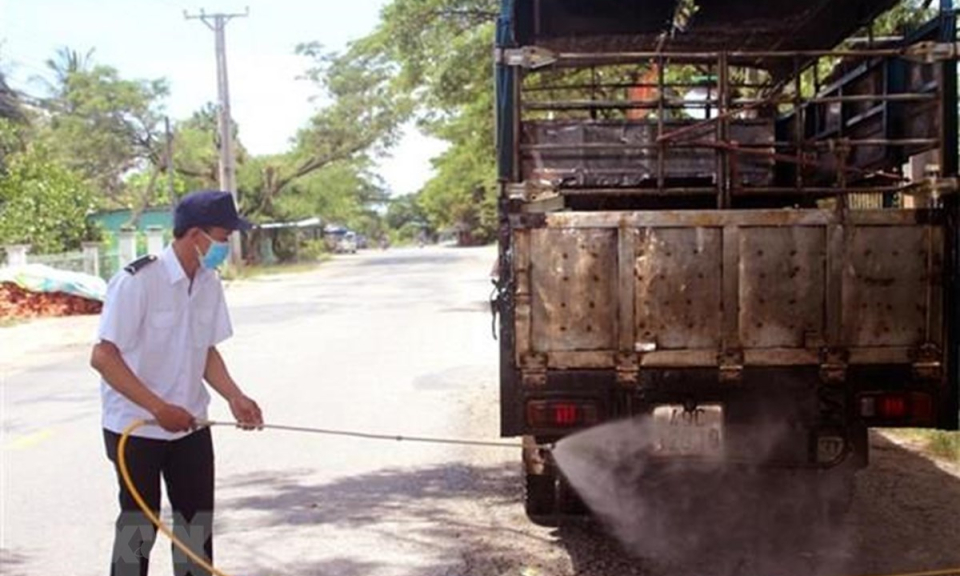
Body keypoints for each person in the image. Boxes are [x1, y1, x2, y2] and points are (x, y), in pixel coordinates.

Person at [91, 190, 264, 576]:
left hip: (190, 425)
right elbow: (103, 357)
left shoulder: (208, 283)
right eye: (222, 236)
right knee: (139, 525)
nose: (225, 244)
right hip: (135, 427)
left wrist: (235, 396)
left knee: (194, 527)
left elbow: (205, 351)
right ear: (195, 234)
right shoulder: (137, 281)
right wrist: (158, 408)